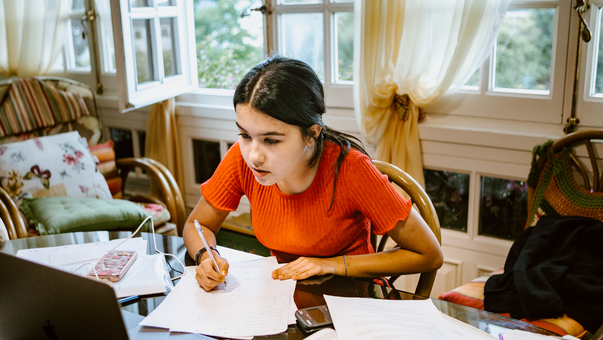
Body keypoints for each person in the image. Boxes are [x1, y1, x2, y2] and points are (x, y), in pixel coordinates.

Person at [183, 56, 443, 292]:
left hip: (352, 296)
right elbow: (198, 225)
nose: (253, 155)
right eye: (245, 135)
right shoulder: (241, 160)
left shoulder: (351, 169)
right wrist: (207, 256)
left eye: (271, 140)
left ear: (312, 134)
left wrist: (330, 265)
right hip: (284, 294)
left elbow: (429, 255)